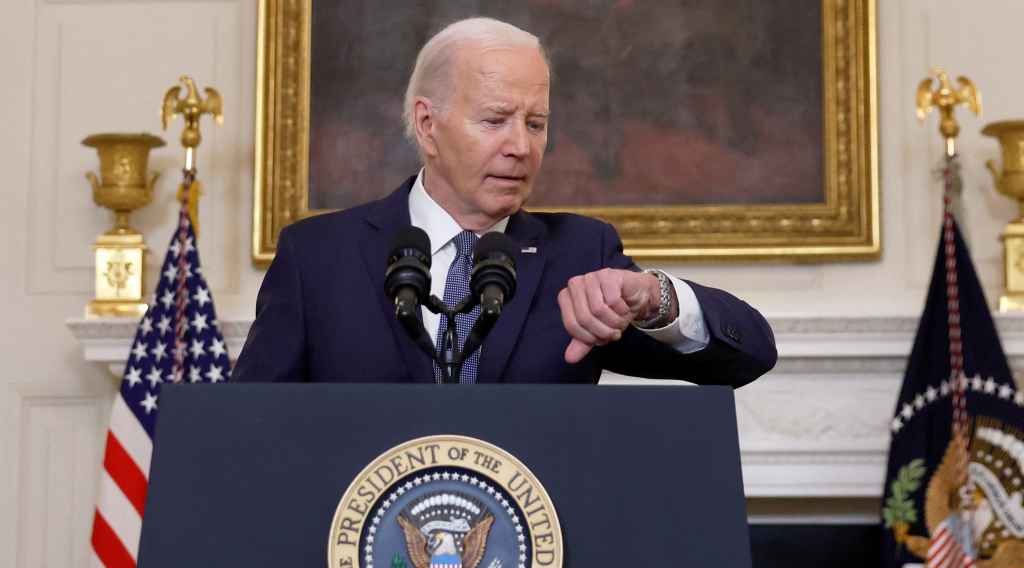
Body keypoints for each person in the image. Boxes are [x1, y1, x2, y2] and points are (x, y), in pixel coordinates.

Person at [231, 17, 776, 386]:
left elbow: (749, 354)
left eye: (536, 123)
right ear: (428, 125)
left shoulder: (580, 253)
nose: (520, 147)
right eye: (494, 120)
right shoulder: (318, 256)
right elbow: (251, 427)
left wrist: (652, 297)